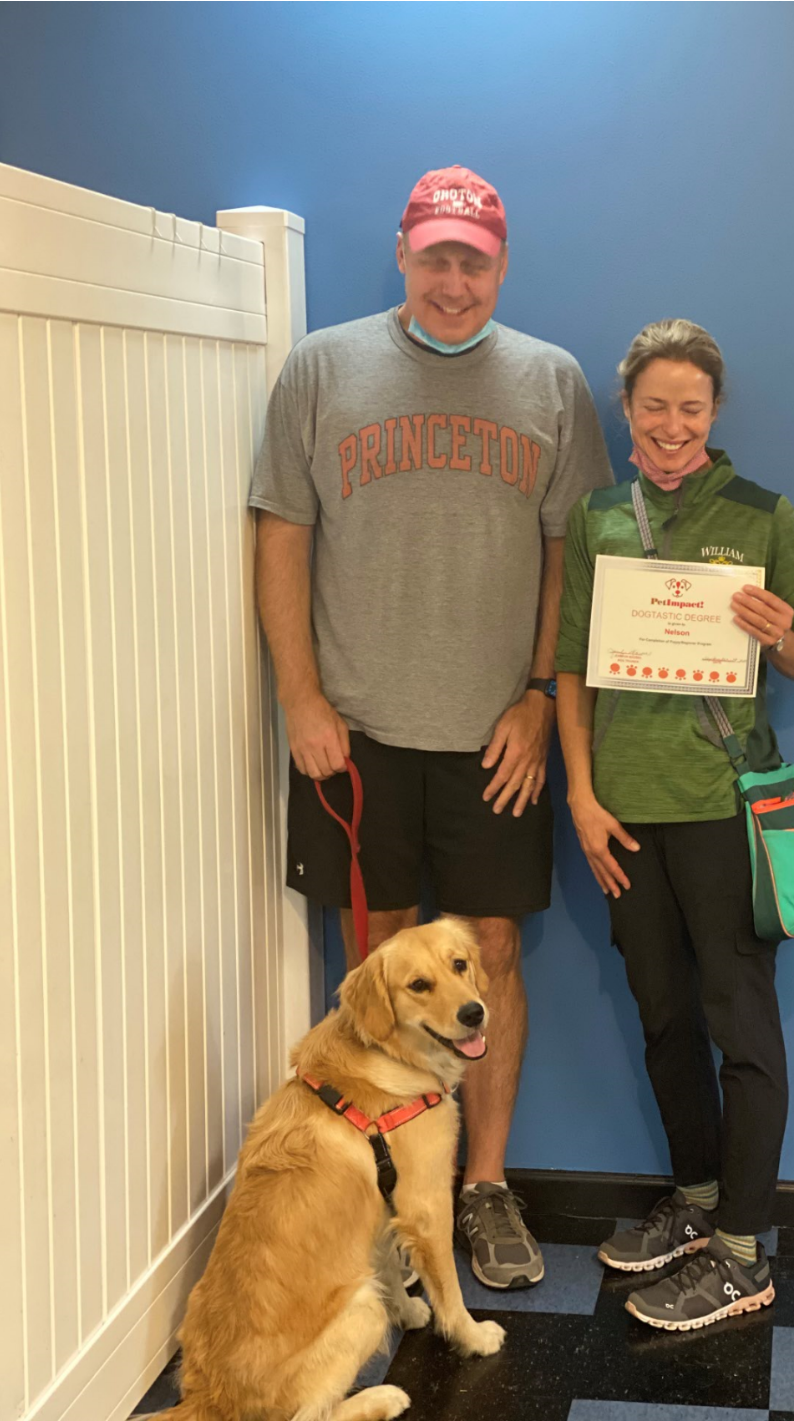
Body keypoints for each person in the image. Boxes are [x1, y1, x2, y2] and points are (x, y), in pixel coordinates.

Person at [250, 165, 612, 1289]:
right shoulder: (322, 368)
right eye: (436, 256)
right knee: (380, 961)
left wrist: (542, 698)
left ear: (502, 265)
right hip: (355, 730)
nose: (454, 281)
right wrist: (300, 697)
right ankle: (392, 1196)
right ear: (403, 255)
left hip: (496, 735)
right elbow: (280, 536)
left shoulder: (552, 382)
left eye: (476, 261)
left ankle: (485, 1187)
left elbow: (575, 560)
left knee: (489, 954)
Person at [555, 319, 794, 1329]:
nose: (673, 424)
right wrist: (581, 796)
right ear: (626, 410)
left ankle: (745, 1251)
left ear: (715, 414)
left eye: (692, 407)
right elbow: (572, 667)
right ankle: (700, 1201)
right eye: (654, 405)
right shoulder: (597, 517)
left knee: (738, 1024)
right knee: (663, 1016)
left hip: (721, 811)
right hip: (622, 815)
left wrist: (780, 632)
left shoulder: (760, 513)